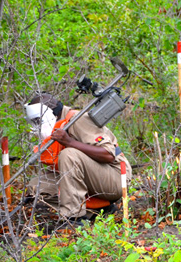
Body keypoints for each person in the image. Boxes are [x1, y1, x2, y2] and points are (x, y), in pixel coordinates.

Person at [23, 93, 132, 223]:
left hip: (117, 178)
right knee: (37, 187)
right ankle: (98, 209)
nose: (36, 126)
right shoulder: (59, 122)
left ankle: (74, 217)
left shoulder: (78, 119)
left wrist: (69, 142)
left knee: (69, 154)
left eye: (37, 121)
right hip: (94, 179)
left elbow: (108, 154)